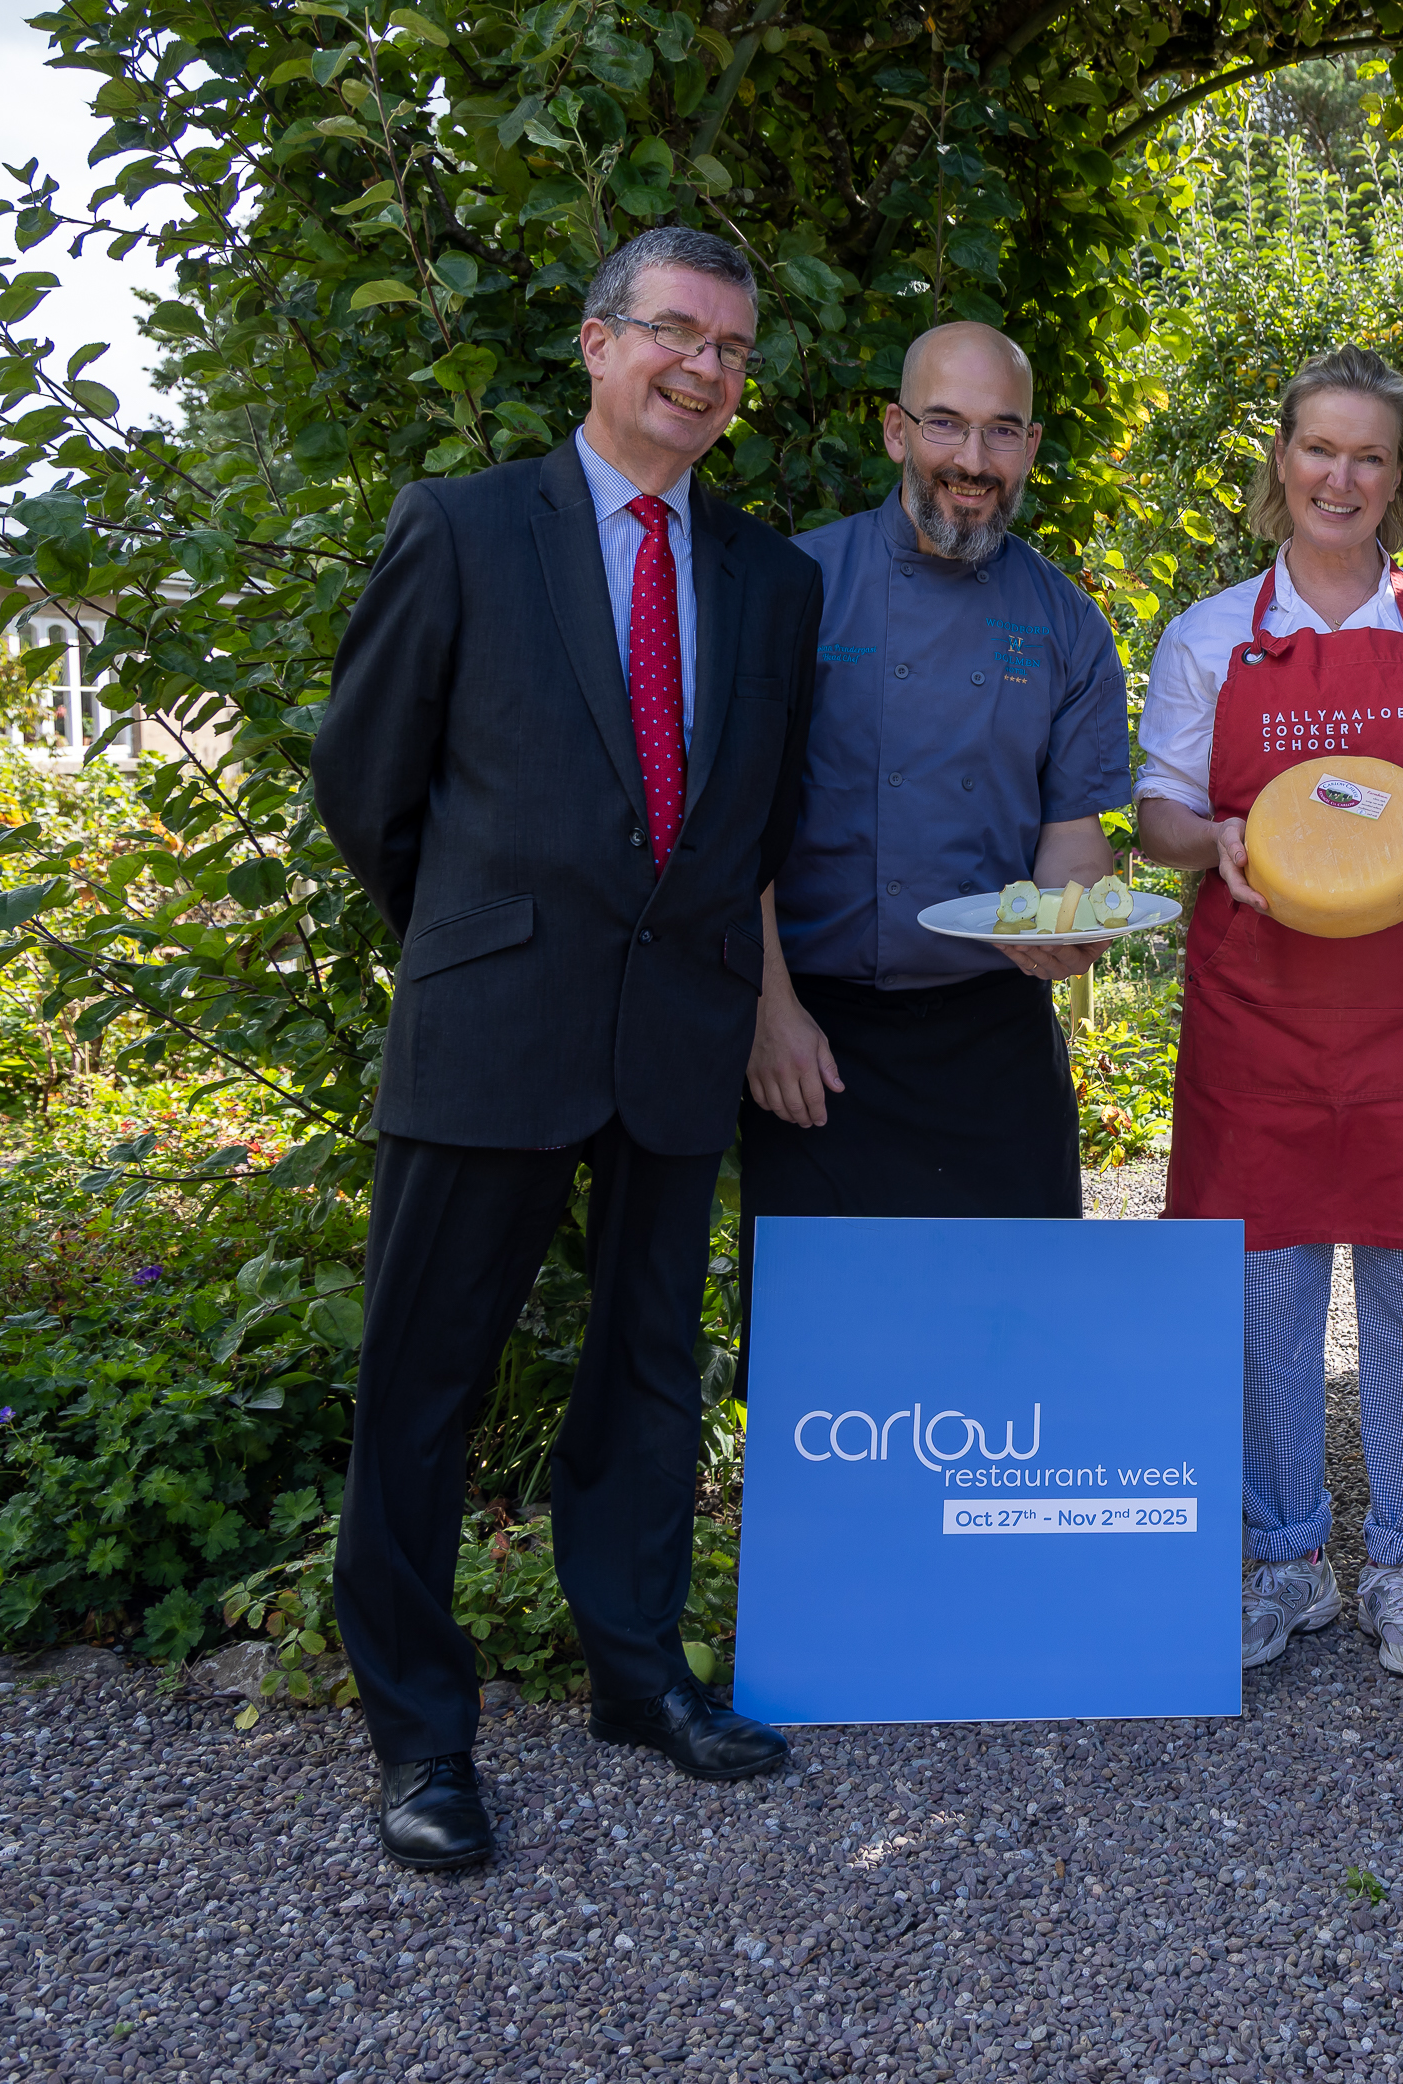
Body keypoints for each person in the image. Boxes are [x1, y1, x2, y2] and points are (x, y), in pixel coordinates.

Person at [311, 226, 823, 1871]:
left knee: (650, 1369)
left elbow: (758, 817)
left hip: (677, 1027)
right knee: (424, 1382)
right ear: (597, 344)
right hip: (494, 1024)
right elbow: (366, 782)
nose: (703, 366)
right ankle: (421, 1733)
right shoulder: (464, 529)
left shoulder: (772, 580)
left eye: (732, 348)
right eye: (676, 330)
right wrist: (480, 934)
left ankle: (635, 1671)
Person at [1134, 347, 1403, 1680]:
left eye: (1370, 454)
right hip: (1258, 1008)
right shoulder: (1209, 634)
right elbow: (1157, 812)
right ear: (1282, 459)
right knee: (1261, 1276)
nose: (1341, 476)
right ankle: (1285, 1558)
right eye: (1320, 447)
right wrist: (1210, 840)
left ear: (1397, 476)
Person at [742, 320, 1130, 1222]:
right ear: (896, 431)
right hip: (815, 1036)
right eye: (945, 423)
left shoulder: (1068, 624)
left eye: (1002, 431)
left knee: (1014, 1305)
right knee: (825, 1310)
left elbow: (1073, 841)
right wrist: (767, 1013)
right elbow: (734, 833)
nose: (973, 460)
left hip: (997, 1039)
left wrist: (1073, 922)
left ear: (1031, 446)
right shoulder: (794, 587)